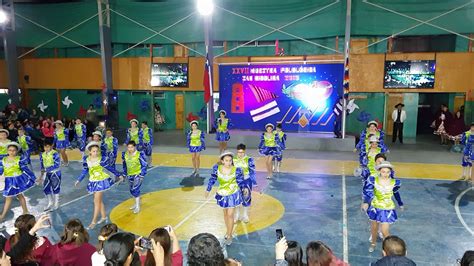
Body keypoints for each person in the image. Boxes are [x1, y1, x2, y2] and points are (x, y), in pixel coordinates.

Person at [75, 142, 122, 229]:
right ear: (89, 152)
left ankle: (94, 221)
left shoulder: (101, 160)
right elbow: (85, 170)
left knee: (96, 202)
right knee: (98, 201)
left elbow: (110, 168)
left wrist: (119, 175)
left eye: (97, 151)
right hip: (93, 182)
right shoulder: (87, 160)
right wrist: (79, 180)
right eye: (93, 151)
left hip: (101, 182)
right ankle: (104, 217)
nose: (95, 153)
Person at [362, 161, 404, 253]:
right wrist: (366, 202)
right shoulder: (373, 180)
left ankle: (388, 248)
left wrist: (400, 203)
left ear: (391, 172)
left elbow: (396, 193)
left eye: (388, 172)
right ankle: (373, 243)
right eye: (383, 171)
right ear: (379, 171)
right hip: (375, 207)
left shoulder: (395, 182)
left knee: (385, 231)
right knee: (374, 228)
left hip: (387, 209)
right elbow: (368, 193)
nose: (385, 174)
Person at [205, 152, 244, 245]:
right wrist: (208, 189)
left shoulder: (236, 170)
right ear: (222, 161)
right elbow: (212, 179)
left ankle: (230, 235)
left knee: (230, 214)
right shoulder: (217, 169)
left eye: (230, 160)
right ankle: (228, 231)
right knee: (226, 214)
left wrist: (244, 189)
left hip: (233, 193)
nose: (229, 162)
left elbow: (240, 181)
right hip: (222, 193)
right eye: (226, 160)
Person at [0, 142, 36, 222]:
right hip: (9, 181)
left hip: (17, 180)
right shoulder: (3, 160)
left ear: (16, 151)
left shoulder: (19, 159)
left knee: (10, 197)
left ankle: (3, 215)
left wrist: (32, 177)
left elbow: (26, 170)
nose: (12, 152)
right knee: (19, 196)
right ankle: (25, 211)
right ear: (7, 151)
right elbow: (1, 171)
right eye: (10, 150)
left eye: (13, 150)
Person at [122, 141, 147, 214]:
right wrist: (124, 174)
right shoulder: (125, 154)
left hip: (137, 174)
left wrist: (142, 175)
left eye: (131, 147)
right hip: (129, 175)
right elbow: (124, 165)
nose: (130, 149)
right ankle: (136, 203)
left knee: (135, 189)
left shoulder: (139, 154)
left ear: (135, 147)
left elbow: (144, 165)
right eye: (128, 147)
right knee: (131, 190)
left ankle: (137, 206)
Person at [233, 143, 257, 223]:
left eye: (242, 152)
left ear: (244, 151)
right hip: (236, 181)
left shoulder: (249, 159)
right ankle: (237, 215)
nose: (240, 154)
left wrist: (254, 182)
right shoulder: (233, 159)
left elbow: (252, 172)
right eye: (239, 152)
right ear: (237, 152)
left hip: (246, 181)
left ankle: (245, 215)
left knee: (246, 197)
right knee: (236, 198)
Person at [38, 139, 62, 211]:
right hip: (46, 173)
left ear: (51, 146)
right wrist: (41, 175)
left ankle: (56, 204)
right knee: (46, 188)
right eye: (45, 147)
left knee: (55, 188)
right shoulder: (42, 155)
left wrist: (46, 169)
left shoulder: (55, 154)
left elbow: (57, 165)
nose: (46, 148)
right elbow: (42, 165)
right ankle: (50, 202)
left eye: (48, 147)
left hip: (55, 173)